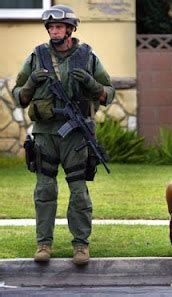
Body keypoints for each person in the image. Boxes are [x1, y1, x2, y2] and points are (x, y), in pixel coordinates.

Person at [12, 5, 115, 265]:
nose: (54, 31)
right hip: (45, 134)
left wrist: (91, 84)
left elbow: (107, 93)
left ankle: (81, 245)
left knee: (79, 191)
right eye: (51, 27)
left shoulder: (87, 56)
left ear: (70, 29)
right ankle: (43, 244)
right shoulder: (37, 56)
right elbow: (19, 97)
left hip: (76, 135)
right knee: (45, 189)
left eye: (59, 27)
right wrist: (32, 82)